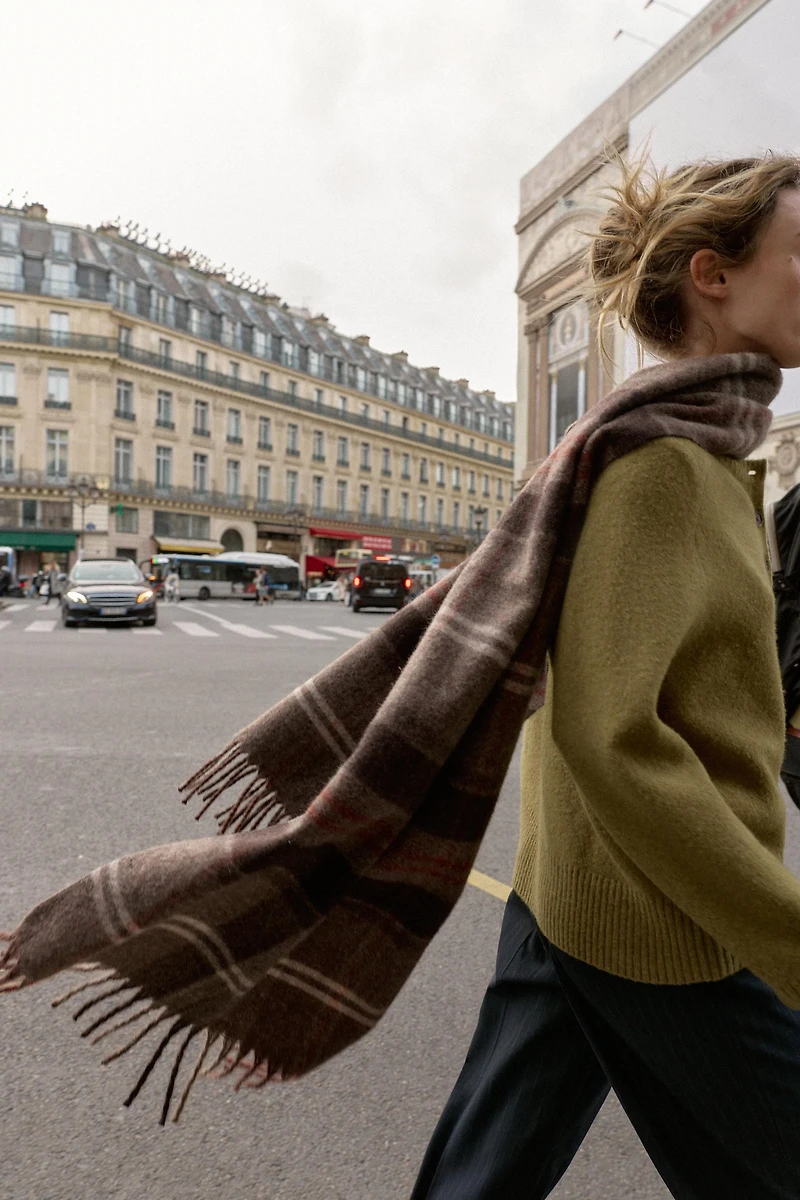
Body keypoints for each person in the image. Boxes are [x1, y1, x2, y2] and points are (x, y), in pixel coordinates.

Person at [410, 154, 800, 1199]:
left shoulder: (703, 453)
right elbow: (613, 736)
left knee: (482, 1177)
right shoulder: (666, 465)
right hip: (667, 924)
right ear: (711, 275)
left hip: (571, 897)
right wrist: (784, 935)